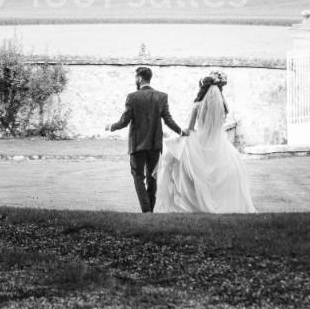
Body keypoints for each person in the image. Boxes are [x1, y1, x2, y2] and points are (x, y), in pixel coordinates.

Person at [155, 71, 256, 214]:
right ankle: (221, 204)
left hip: (200, 141)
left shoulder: (197, 106)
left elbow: (190, 129)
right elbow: (219, 124)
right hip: (219, 143)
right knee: (221, 173)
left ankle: (195, 203)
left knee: (191, 171)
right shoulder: (223, 107)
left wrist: (182, 133)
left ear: (203, 88)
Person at [105, 66, 182, 213]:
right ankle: (149, 211)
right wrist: (180, 130)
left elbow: (124, 121)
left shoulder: (132, 97)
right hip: (154, 145)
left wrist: (111, 127)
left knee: (138, 176)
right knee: (152, 178)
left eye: (136, 77)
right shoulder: (162, 96)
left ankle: (146, 211)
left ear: (139, 78)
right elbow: (168, 119)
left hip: (137, 144)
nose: (135, 80)